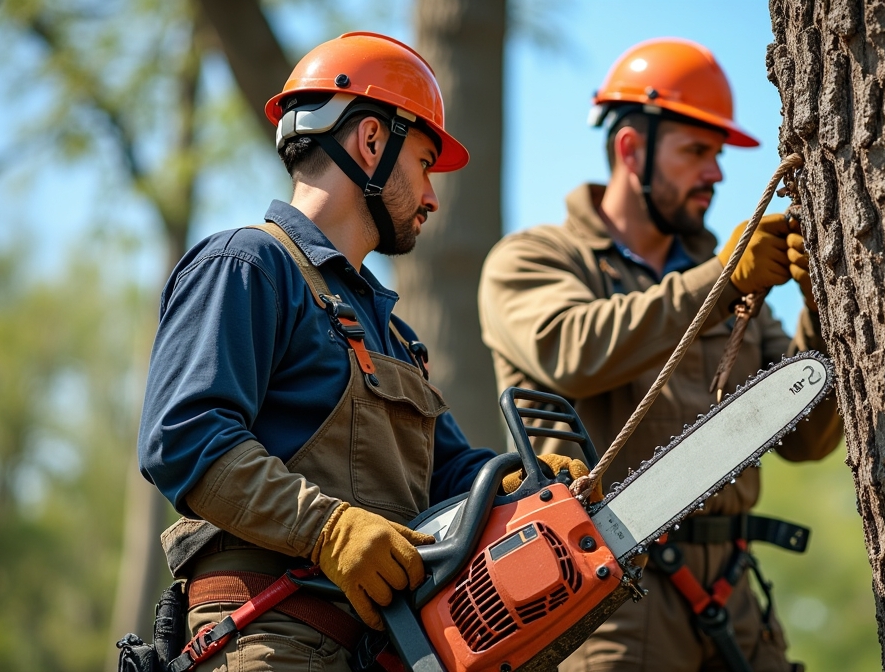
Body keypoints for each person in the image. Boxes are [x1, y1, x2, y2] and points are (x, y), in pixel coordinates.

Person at [137, 32, 587, 671]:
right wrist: (329, 529)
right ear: (371, 141)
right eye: (425, 164)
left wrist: (521, 484)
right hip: (272, 637)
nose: (432, 196)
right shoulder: (250, 264)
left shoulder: (389, 329)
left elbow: (450, 475)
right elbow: (184, 437)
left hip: (385, 649)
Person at [478, 37, 844, 672]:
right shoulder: (534, 259)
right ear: (630, 150)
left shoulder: (728, 278)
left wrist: (822, 306)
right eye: (696, 151)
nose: (717, 173)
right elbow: (569, 349)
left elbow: (806, 440)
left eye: (718, 154)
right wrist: (721, 279)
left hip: (734, 593)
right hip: (609, 603)